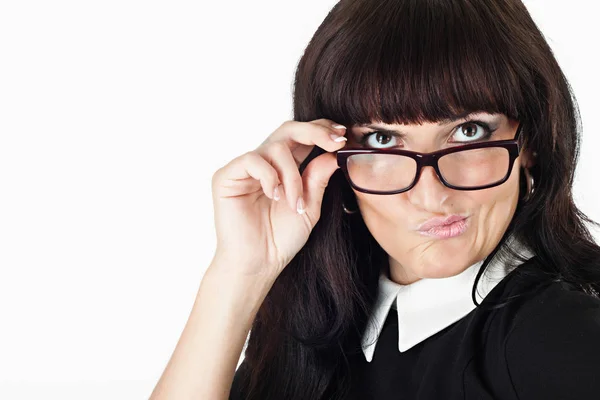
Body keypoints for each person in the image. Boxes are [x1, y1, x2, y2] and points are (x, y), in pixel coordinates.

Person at [150, 0, 600, 399]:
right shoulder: (318, 320)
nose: (432, 195)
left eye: (469, 131)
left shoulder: (558, 334)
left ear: (531, 144)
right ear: (335, 162)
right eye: (384, 140)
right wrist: (242, 270)